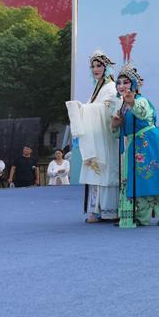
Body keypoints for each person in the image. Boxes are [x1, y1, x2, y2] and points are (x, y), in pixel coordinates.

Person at [111, 63, 159, 228]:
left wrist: (132, 103)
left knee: (152, 179)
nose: (122, 86)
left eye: (126, 82)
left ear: (134, 85)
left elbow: (143, 113)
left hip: (148, 142)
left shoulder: (141, 100)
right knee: (138, 181)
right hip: (135, 144)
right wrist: (115, 125)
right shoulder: (122, 106)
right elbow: (119, 133)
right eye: (119, 83)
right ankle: (141, 217)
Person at [66, 50, 120, 223]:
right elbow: (96, 108)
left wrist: (83, 109)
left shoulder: (111, 87)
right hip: (97, 138)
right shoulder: (98, 87)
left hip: (106, 138)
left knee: (107, 172)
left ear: (106, 68)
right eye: (93, 66)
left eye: (99, 66)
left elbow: (107, 110)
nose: (95, 69)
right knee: (97, 174)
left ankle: (109, 210)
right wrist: (83, 109)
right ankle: (96, 210)